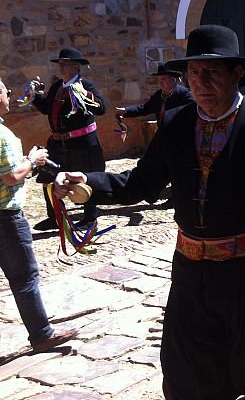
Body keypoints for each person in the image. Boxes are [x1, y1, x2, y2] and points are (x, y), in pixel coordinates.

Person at [53, 25, 245, 400]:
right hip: (192, 279)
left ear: (237, 74)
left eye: (212, 73)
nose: (201, 83)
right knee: (200, 385)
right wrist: (87, 183)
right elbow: (140, 184)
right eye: (194, 73)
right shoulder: (178, 124)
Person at [0, 78, 78, 352]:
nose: (9, 95)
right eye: (5, 91)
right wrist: (33, 161)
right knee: (24, 276)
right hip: (6, 218)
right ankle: (42, 334)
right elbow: (10, 177)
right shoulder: (2, 135)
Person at [30, 47, 106, 230]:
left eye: (64, 64)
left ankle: (90, 219)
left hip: (81, 144)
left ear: (76, 67)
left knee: (84, 180)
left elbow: (101, 108)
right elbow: (47, 109)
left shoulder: (85, 85)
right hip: (58, 144)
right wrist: (36, 95)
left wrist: (85, 94)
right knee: (48, 178)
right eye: (60, 64)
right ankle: (55, 217)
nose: (61, 67)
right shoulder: (57, 86)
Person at [116, 64, 193, 126]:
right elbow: (145, 108)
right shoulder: (158, 95)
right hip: (163, 135)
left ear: (173, 79)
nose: (160, 83)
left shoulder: (184, 95)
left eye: (163, 79)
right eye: (158, 80)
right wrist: (126, 111)